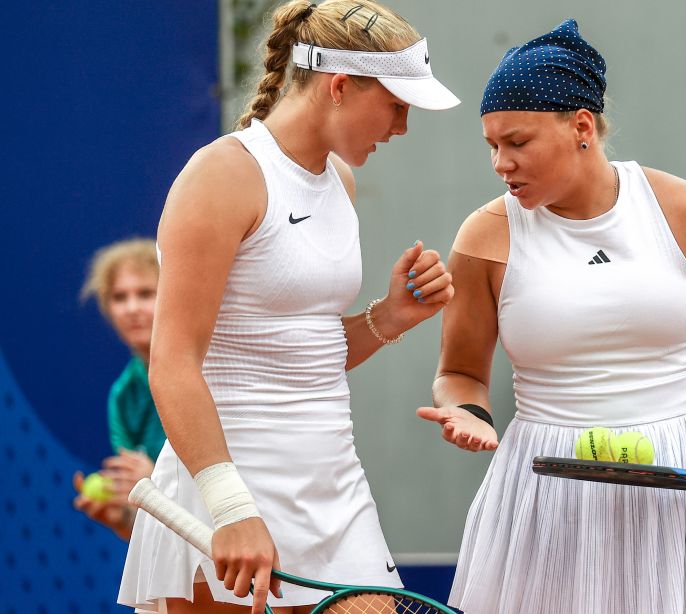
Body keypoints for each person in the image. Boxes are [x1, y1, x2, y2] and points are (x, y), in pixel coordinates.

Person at [417, 20, 686, 613]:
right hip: (545, 492)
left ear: (581, 128)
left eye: (517, 142)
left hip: (681, 478)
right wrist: (469, 412)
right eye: (491, 146)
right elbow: (460, 371)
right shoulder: (484, 235)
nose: (500, 163)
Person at [118, 2, 459, 613]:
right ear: (340, 87)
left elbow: (301, 352)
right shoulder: (221, 175)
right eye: (396, 105)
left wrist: (389, 317)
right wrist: (232, 509)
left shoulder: (340, 181)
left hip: (336, 488)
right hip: (230, 491)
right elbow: (172, 364)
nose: (403, 127)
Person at [73, 238, 162, 540]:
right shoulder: (123, 396)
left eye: (146, 293)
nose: (132, 308)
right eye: (120, 297)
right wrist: (122, 520)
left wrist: (158, 480)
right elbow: (153, 532)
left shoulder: (213, 369)